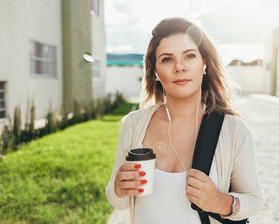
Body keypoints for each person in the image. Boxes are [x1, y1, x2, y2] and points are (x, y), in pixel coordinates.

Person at [105, 17, 264, 224]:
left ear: (204, 63)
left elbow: (254, 199)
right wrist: (118, 188)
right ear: (154, 72)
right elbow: (119, 202)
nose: (179, 67)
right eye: (167, 59)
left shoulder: (233, 130)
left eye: (189, 56)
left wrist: (221, 202)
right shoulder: (134, 125)